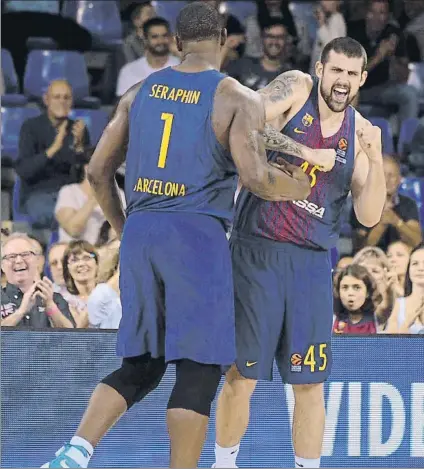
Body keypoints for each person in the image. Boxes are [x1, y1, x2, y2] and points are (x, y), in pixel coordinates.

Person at [41, 2, 314, 468]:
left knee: (141, 364)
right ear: (225, 38)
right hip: (196, 236)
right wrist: (301, 184)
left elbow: (96, 170)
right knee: (201, 368)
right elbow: (256, 178)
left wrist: (127, 230)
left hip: (144, 231)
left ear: (178, 42)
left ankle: (75, 451)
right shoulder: (234, 96)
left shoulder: (139, 90)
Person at [213, 37, 386, 469]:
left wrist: (377, 158)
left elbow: (368, 217)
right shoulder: (296, 88)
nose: (342, 81)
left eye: (352, 73)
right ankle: (224, 463)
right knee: (242, 375)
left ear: (362, 79)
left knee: (310, 385)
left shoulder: (359, 131)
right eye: (336, 70)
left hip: (311, 264)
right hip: (256, 250)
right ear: (320, 68)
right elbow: (244, 120)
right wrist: (306, 151)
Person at [386, 243, 424, 334]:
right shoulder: (399, 305)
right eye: (415, 264)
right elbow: (389, 343)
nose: (421, 268)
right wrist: (405, 326)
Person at [332, 264, 380, 334]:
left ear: (368, 292)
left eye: (357, 287)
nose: (350, 293)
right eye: (345, 287)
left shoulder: (377, 318)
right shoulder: (331, 321)